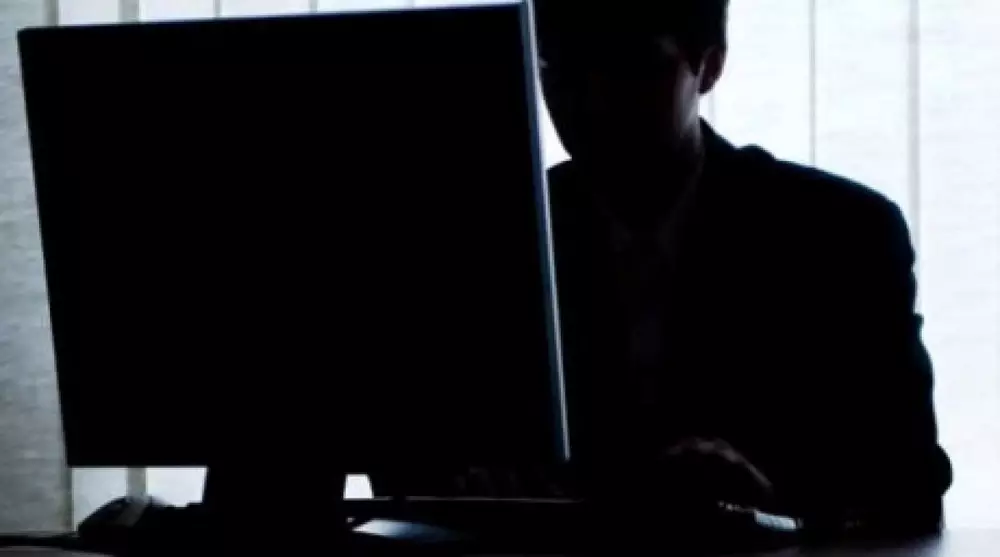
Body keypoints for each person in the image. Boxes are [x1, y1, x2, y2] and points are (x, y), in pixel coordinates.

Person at [376, 0, 952, 539]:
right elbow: (406, 466)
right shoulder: (487, 241)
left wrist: (776, 508)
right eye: (559, 68)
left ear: (711, 66)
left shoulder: (838, 237)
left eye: (630, 66)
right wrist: (470, 496)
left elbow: (909, 486)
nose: (591, 99)